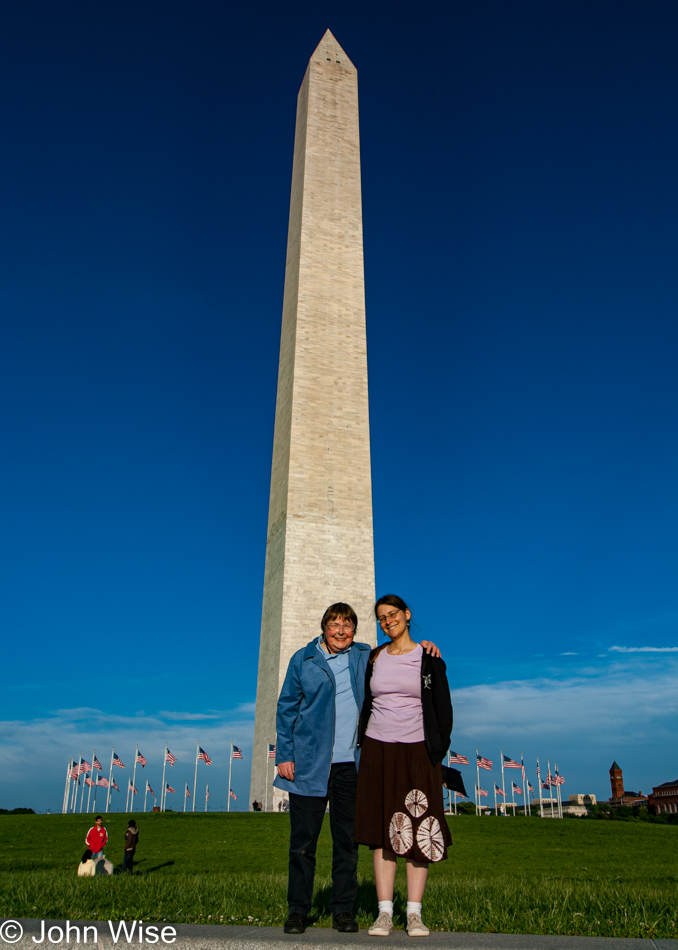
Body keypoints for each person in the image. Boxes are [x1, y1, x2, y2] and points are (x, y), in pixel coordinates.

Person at [274, 602, 441, 935]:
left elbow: (396, 649)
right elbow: (286, 709)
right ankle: (298, 910)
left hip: (351, 765)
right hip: (308, 763)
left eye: (347, 626)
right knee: (303, 843)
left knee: (347, 845)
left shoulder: (365, 656)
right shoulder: (303, 659)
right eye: (334, 625)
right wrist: (285, 754)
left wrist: (422, 646)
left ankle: (343, 910)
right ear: (324, 628)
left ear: (354, 631)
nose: (340, 631)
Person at [355, 595, 452, 938]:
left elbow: (443, 712)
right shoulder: (374, 657)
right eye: (381, 617)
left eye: (392, 614)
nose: (387, 621)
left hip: (417, 750)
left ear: (407, 615)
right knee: (383, 829)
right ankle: (384, 913)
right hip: (378, 748)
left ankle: (414, 913)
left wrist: (435, 754)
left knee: (418, 826)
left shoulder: (429, 658)